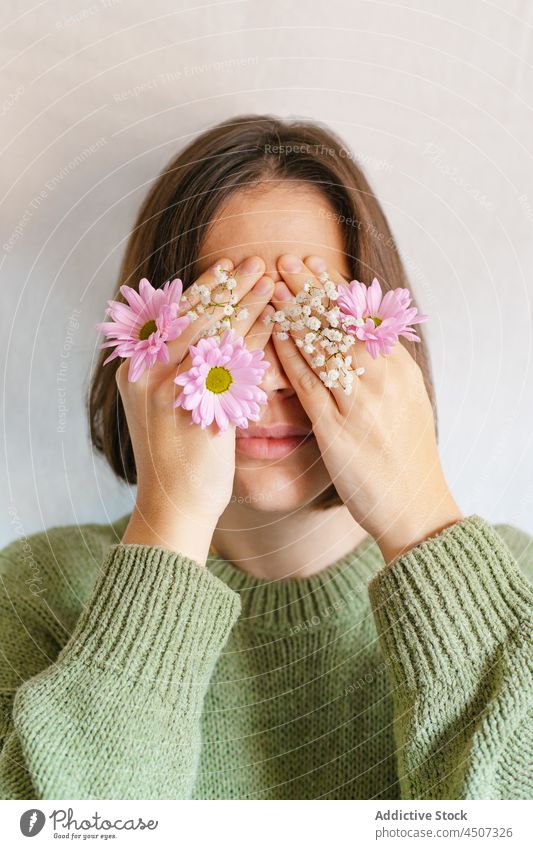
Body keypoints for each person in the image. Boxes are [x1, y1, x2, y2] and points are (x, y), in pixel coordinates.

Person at [1, 115, 531, 800]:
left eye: (311, 323)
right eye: (229, 322)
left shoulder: (514, 589)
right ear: (148, 347)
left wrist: (419, 515)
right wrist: (169, 519)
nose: (273, 378)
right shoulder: (37, 595)